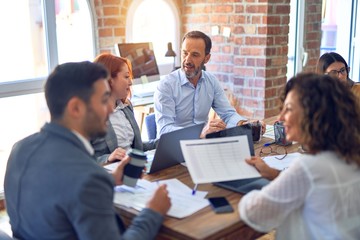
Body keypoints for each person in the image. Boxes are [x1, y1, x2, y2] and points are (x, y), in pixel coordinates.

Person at [4, 61, 171, 240]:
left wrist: (111, 179)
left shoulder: (19, 149)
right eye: (104, 100)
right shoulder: (88, 177)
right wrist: (153, 212)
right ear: (75, 108)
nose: (110, 108)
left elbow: (63, 185)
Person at [239, 73, 360, 239]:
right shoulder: (350, 156)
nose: (281, 118)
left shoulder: (309, 167)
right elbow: (317, 188)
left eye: (288, 109)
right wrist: (275, 175)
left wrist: (246, 189)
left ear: (312, 114)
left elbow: (255, 213)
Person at [154, 30, 265, 138]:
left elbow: (228, 114)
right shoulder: (166, 86)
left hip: (203, 145)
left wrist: (244, 124)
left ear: (207, 58)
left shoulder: (211, 81)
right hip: (174, 147)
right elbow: (164, 130)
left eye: (195, 55)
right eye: (185, 53)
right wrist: (200, 133)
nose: (187, 60)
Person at [92, 53, 157, 164]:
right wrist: (108, 158)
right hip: (109, 173)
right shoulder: (90, 116)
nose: (131, 82)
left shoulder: (126, 107)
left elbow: (137, 147)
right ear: (109, 80)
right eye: (126, 77)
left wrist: (163, 142)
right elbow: (80, 160)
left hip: (132, 167)